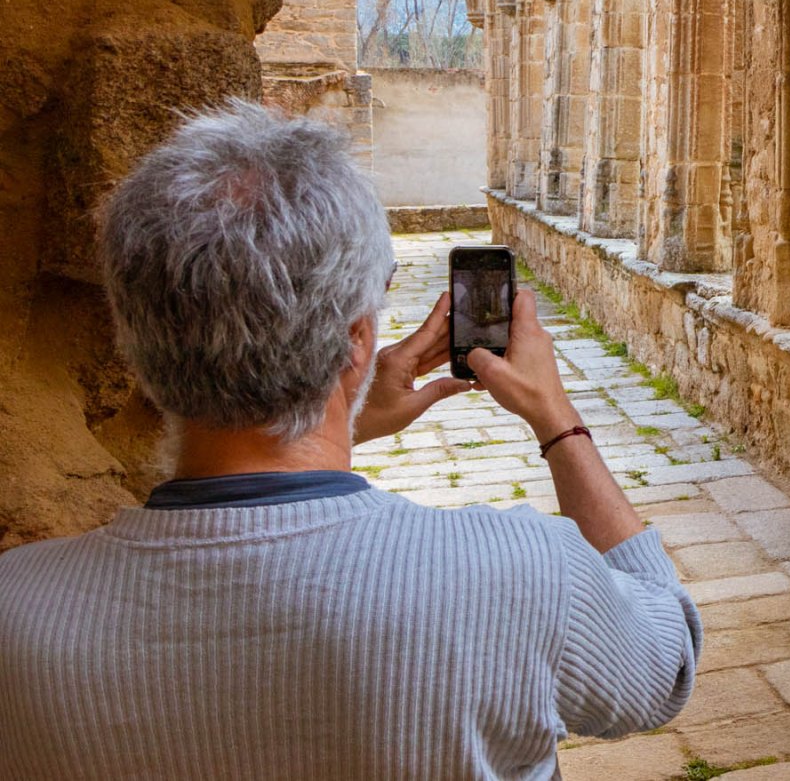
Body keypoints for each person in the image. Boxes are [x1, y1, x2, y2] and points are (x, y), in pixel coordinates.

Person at [0, 101, 700, 779]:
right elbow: (663, 662)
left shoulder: (18, 612)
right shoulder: (521, 575)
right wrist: (557, 419)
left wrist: (350, 415)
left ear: (134, 340)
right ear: (357, 339)